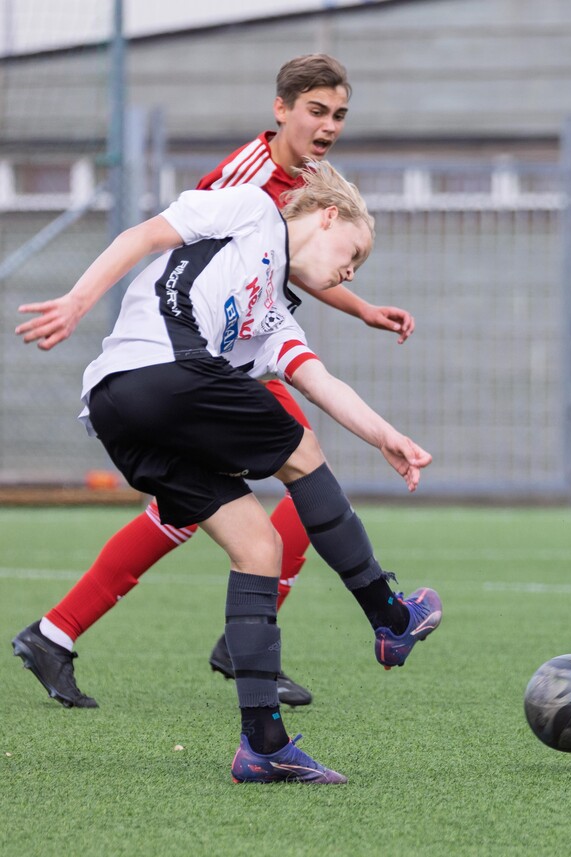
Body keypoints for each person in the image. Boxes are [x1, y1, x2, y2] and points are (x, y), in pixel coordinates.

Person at [15, 159, 440, 783]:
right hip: (158, 372)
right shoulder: (253, 211)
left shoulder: (273, 319)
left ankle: (263, 745)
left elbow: (320, 381)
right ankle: (389, 616)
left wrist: (387, 437)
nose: (352, 271)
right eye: (354, 253)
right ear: (328, 217)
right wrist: (80, 300)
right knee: (301, 449)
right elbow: (144, 235)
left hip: (124, 416)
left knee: (259, 547)